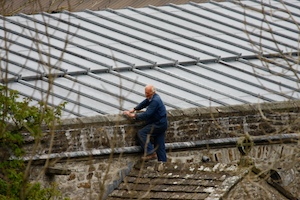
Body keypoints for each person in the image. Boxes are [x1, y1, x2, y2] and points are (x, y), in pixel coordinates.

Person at [123, 84, 168, 163]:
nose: (146, 94)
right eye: (145, 92)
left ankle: (150, 153)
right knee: (159, 146)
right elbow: (145, 102)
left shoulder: (155, 101)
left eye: (148, 93)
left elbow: (147, 114)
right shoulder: (152, 98)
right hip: (162, 123)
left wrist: (134, 116)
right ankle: (163, 163)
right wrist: (134, 109)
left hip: (158, 124)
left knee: (142, 133)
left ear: (153, 92)